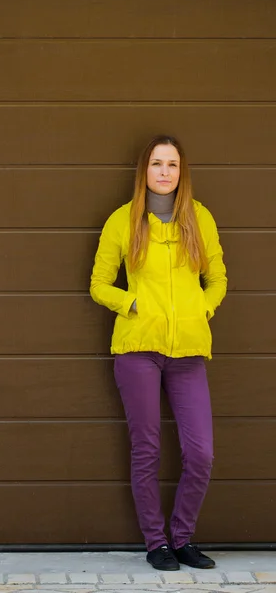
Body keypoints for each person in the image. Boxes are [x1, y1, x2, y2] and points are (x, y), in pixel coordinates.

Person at [90, 135, 227, 571]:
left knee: (201, 452)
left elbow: (218, 278)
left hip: (187, 351)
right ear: (144, 171)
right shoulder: (122, 221)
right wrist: (132, 304)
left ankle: (183, 537)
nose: (165, 172)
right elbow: (98, 284)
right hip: (138, 351)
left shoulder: (199, 218)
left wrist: (201, 308)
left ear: (181, 172)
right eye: (156, 163)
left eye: (172, 164)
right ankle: (156, 542)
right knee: (146, 448)